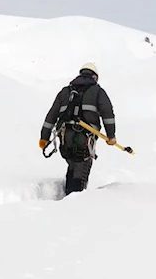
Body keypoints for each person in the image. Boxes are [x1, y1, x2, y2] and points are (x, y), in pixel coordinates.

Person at [39, 62, 116, 196]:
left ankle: (68, 192)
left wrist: (44, 137)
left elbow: (51, 116)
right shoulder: (98, 91)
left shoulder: (65, 91)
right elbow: (107, 113)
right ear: (95, 77)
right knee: (81, 167)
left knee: (73, 164)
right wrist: (111, 136)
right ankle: (74, 202)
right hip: (85, 138)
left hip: (64, 137)